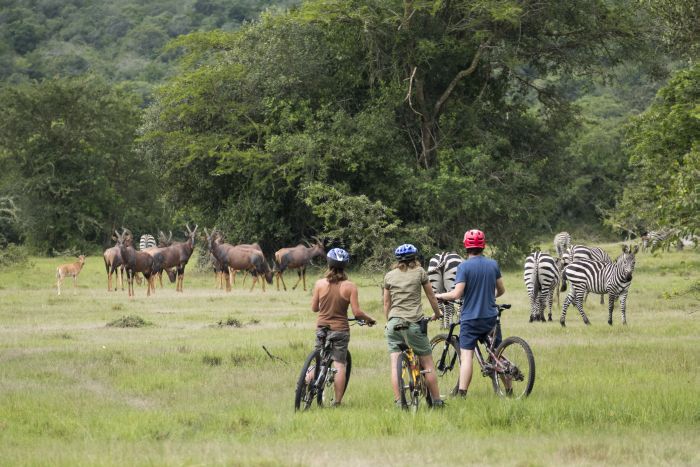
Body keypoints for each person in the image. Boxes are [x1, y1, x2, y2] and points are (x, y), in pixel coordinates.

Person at [434, 229, 505, 397]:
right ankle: (508, 391)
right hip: (490, 318)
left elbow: (457, 294)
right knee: (498, 353)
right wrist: (489, 297)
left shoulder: (463, 266)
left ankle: (462, 393)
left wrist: (439, 296)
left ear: (466, 246)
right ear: (483, 246)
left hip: (471, 319)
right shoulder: (493, 264)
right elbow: (501, 290)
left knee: (466, 357)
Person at [310, 248, 376, 406]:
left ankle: (303, 386)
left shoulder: (319, 283)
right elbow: (357, 312)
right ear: (345, 266)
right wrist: (369, 319)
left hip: (322, 327)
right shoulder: (350, 287)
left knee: (317, 360)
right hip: (340, 330)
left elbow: (314, 309)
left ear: (328, 263)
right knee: (339, 364)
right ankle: (337, 402)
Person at [383, 243, 445, 408]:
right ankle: (437, 401)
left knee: (395, 363)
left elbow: (386, 303)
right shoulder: (420, 272)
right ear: (415, 258)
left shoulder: (389, 275)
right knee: (428, 363)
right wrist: (438, 314)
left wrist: (387, 321)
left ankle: (398, 402)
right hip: (413, 323)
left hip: (393, 324)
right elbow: (431, 296)